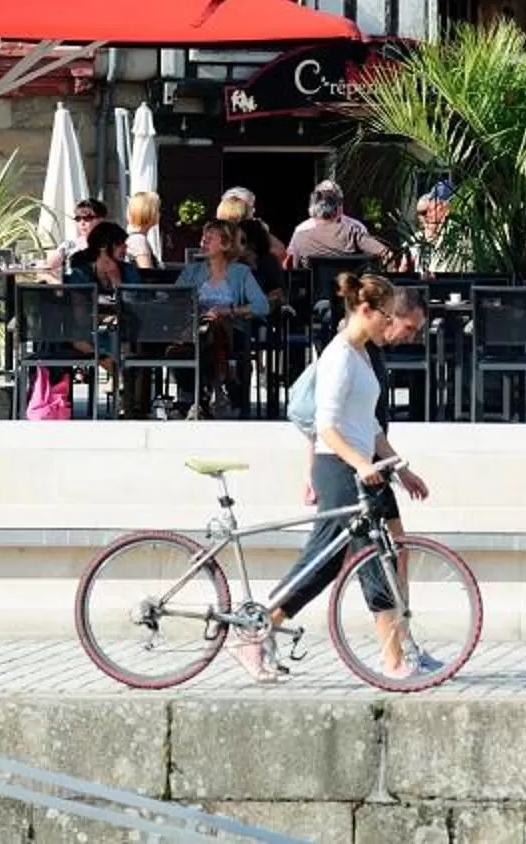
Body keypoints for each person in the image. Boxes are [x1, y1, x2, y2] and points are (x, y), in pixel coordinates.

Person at [246, 274, 433, 683]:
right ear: (366, 311)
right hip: (340, 467)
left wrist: (399, 466)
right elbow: (327, 426)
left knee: (358, 557)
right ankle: (392, 660)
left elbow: (367, 424)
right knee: (359, 562)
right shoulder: (339, 357)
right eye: (388, 319)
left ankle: (261, 632)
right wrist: (361, 464)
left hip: (362, 465)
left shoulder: (362, 354)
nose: (390, 329)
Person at [174, 220, 269, 417]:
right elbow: (174, 301)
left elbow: (262, 306)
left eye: (210, 239)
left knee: (216, 324)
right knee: (185, 344)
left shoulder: (240, 273)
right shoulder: (192, 271)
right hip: (195, 328)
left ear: (226, 244)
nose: (203, 242)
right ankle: (224, 379)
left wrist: (229, 311)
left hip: (231, 331)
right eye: (203, 238)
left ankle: (198, 397)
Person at [286, 180, 389, 267]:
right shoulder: (354, 229)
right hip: (350, 287)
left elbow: (291, 266)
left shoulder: (300, 232)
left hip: (316, 289)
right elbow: (383, 254)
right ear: (338, 205)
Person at [123, 191, 167, 272]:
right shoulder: (138, 241)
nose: (159, 213)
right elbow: (147, 275)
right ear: (149, 212)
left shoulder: (136, 238)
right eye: (157, 209)